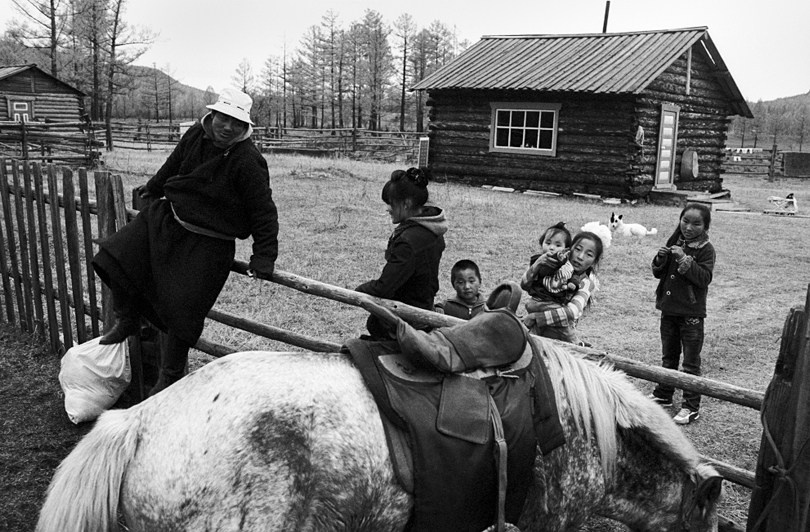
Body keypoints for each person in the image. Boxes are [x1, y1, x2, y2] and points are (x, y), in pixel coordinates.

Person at [92, 87, 279, 395]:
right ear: (213, 115)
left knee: (182, 312)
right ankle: (127, 319)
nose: (227, 128)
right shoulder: (195, 135)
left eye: (236, 123)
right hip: (171, 220)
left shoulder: (248, 160)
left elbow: (263, 211)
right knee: (116, 256)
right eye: (224, 119)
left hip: (209, 243)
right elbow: (174, 164)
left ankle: (169, 375)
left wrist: (264, 257)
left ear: (245, 127)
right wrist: (153, 188)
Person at [355, 167, 447, 339]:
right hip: (424, 307)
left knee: (375, 324)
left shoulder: (408, 241)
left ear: (406, 204)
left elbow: (385, 287)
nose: (388, 208)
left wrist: (358, 291)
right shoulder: (432, 230)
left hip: (410, 317)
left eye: (391, 203)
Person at [648, 203, 716, 425]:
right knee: (669, 356)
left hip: (691, 315)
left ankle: (690, 406)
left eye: (696, 223)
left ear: (706, 226)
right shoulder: (675, 241)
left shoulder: (706, 249)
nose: (689, 227)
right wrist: (660, 259)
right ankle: (664, 393)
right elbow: (660, 273)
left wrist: (684, 259)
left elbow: (704, 278)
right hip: (669, 309)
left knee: (690, 362)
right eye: (685, 221)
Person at [523, 230, 604, 344]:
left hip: (560, 337)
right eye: (577, 249)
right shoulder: (553, 267)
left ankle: (577, 344)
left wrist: (537, 317)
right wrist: (537, 264)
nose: (580, 257)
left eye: (589, 254)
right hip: (535, 328)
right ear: (569, 249)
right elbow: (525, 285)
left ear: (594, 262)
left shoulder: (586, 283)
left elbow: (572, 312)